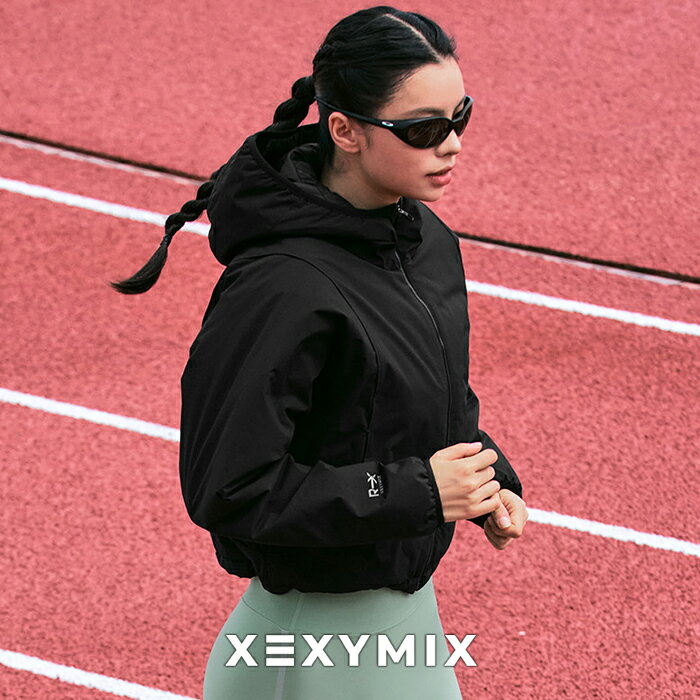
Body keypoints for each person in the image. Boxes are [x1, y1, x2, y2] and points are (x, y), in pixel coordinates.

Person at [110, 6, 528, 698]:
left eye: (460, 117)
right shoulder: (280, 286)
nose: (452, 144)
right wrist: (422, 491)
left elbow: (420, 404)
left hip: (402, 631)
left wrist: (486, 482)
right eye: (424, 128)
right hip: (310, 649)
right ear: (345, 131)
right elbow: (229, 488)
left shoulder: (427, 244)